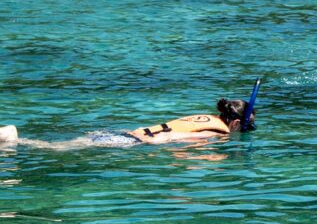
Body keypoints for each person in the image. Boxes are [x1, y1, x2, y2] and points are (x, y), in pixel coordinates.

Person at [0, 97, 256, 150]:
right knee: (55, 148)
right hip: (129, 140)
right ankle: (11, 137)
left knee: (65, 144)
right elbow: (173, 138)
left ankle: (11, 138)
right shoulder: (215, 132)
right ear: (234, 124)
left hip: (125, 133)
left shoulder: (205, 117)